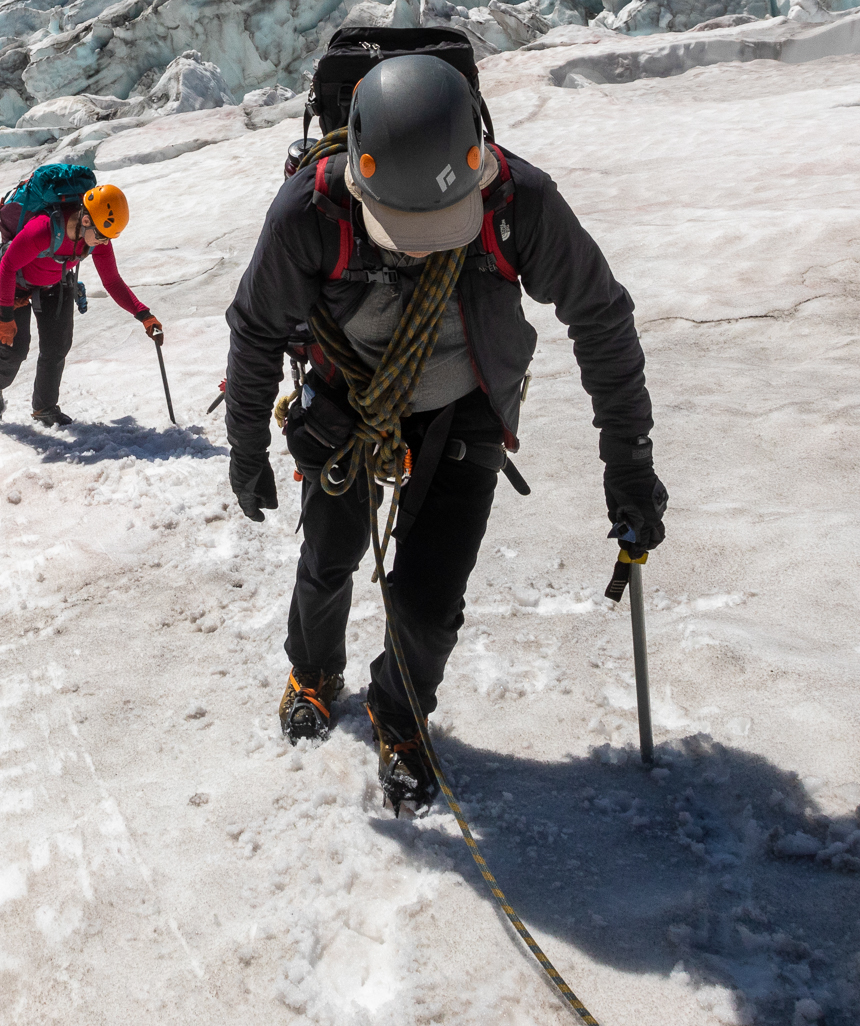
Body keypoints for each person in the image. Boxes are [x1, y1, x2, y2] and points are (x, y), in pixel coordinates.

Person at [221, 53, 663, 813]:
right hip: (350, 398)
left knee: (430, 603)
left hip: (466, 402)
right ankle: (313, 671)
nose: (421, 246)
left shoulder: (516, 201)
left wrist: (629, 461)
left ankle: (400, 714)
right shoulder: (311, 210)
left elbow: (600, 317)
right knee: (329, 556)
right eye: (404, 230)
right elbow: (256, 327)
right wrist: (246, 446)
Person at [0, 183, 162, 426]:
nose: (103, 243)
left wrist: (144, 314)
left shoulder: (96, 237)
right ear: (86, 220)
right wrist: (5, 318)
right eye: (102, 237)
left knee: (57, 347)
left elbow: (111, 280)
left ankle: (44, 408)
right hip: (15, 285)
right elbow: (8, 266)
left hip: (55, 283)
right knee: (14, 348)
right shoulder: (44, 228)